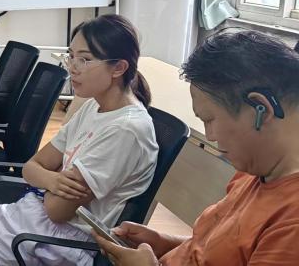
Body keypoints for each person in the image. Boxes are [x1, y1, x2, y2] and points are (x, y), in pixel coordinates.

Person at [0, 14, 158, 266]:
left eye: (84, 59)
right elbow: (31, 167)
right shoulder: (94, 106)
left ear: (118, 68)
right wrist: (53, 179)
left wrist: (45, 178)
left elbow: (57, 211)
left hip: (55, 242)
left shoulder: (126, 130)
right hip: (26, 215)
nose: (72, 67)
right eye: (71, 56)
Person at [94, 30, 299, 266]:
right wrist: (164, 242)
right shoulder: (257, 166)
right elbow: (218, 248)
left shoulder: (291, 223)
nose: (210, 136)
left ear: (261, 110)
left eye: (209, 119)